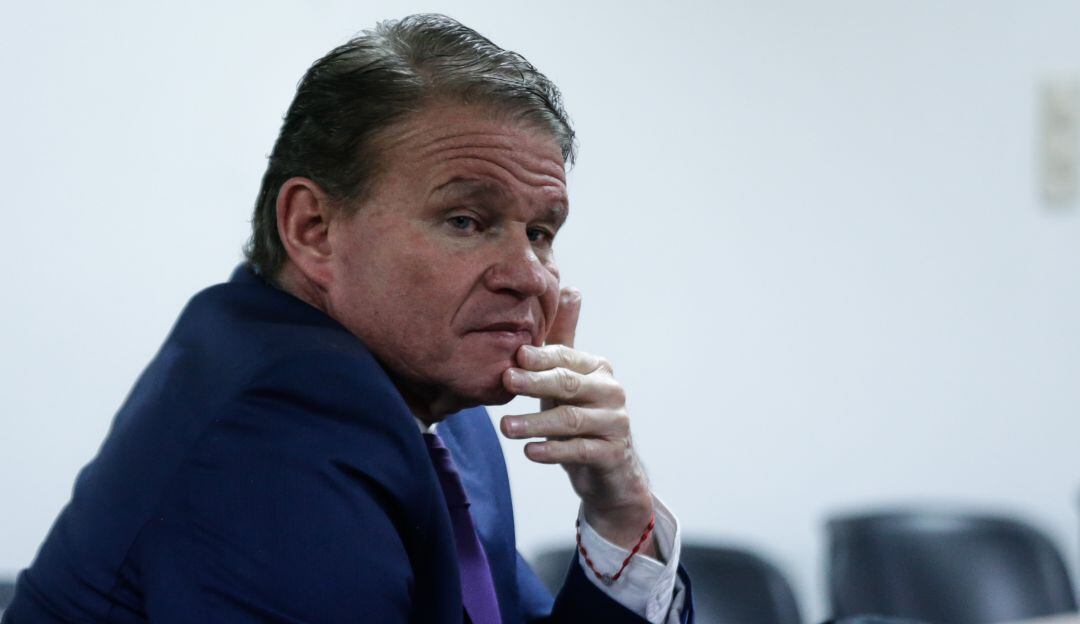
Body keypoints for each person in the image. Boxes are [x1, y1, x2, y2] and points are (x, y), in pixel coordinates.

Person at [3, 14, 693, 624]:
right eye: (466, 220)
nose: (530, 276)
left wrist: (620, 509)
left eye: (541, 233)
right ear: (314, 229)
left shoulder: (436, 405)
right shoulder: (276, 428)